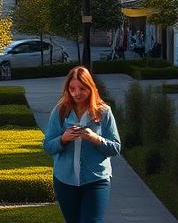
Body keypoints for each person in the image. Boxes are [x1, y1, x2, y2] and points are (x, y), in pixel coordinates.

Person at [42, 67, 121, 223]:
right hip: (65, 181)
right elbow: (47, 146)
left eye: (82, 89)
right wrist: (63, 139)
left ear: (90, 88)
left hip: (96, 180)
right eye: (72, 89)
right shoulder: (60, 111)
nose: (76, 93)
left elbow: (116, 148)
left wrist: (95, 138)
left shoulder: (103, 112)